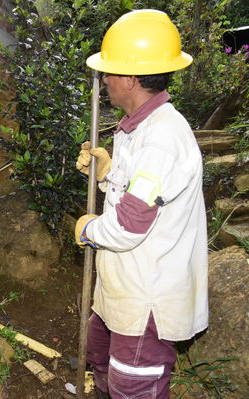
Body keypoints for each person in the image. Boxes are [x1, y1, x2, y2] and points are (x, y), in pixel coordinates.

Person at [74, 9, 208, 399]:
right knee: (100, 362)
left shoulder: (162, 137)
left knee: (131, 388)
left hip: (146, 298)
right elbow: (141, 193)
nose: (104, 81)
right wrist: (107, 175)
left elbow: (129, 226)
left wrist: (87, 230)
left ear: (131, 78)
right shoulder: (135, 128)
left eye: (110, 73)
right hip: (120, 287)